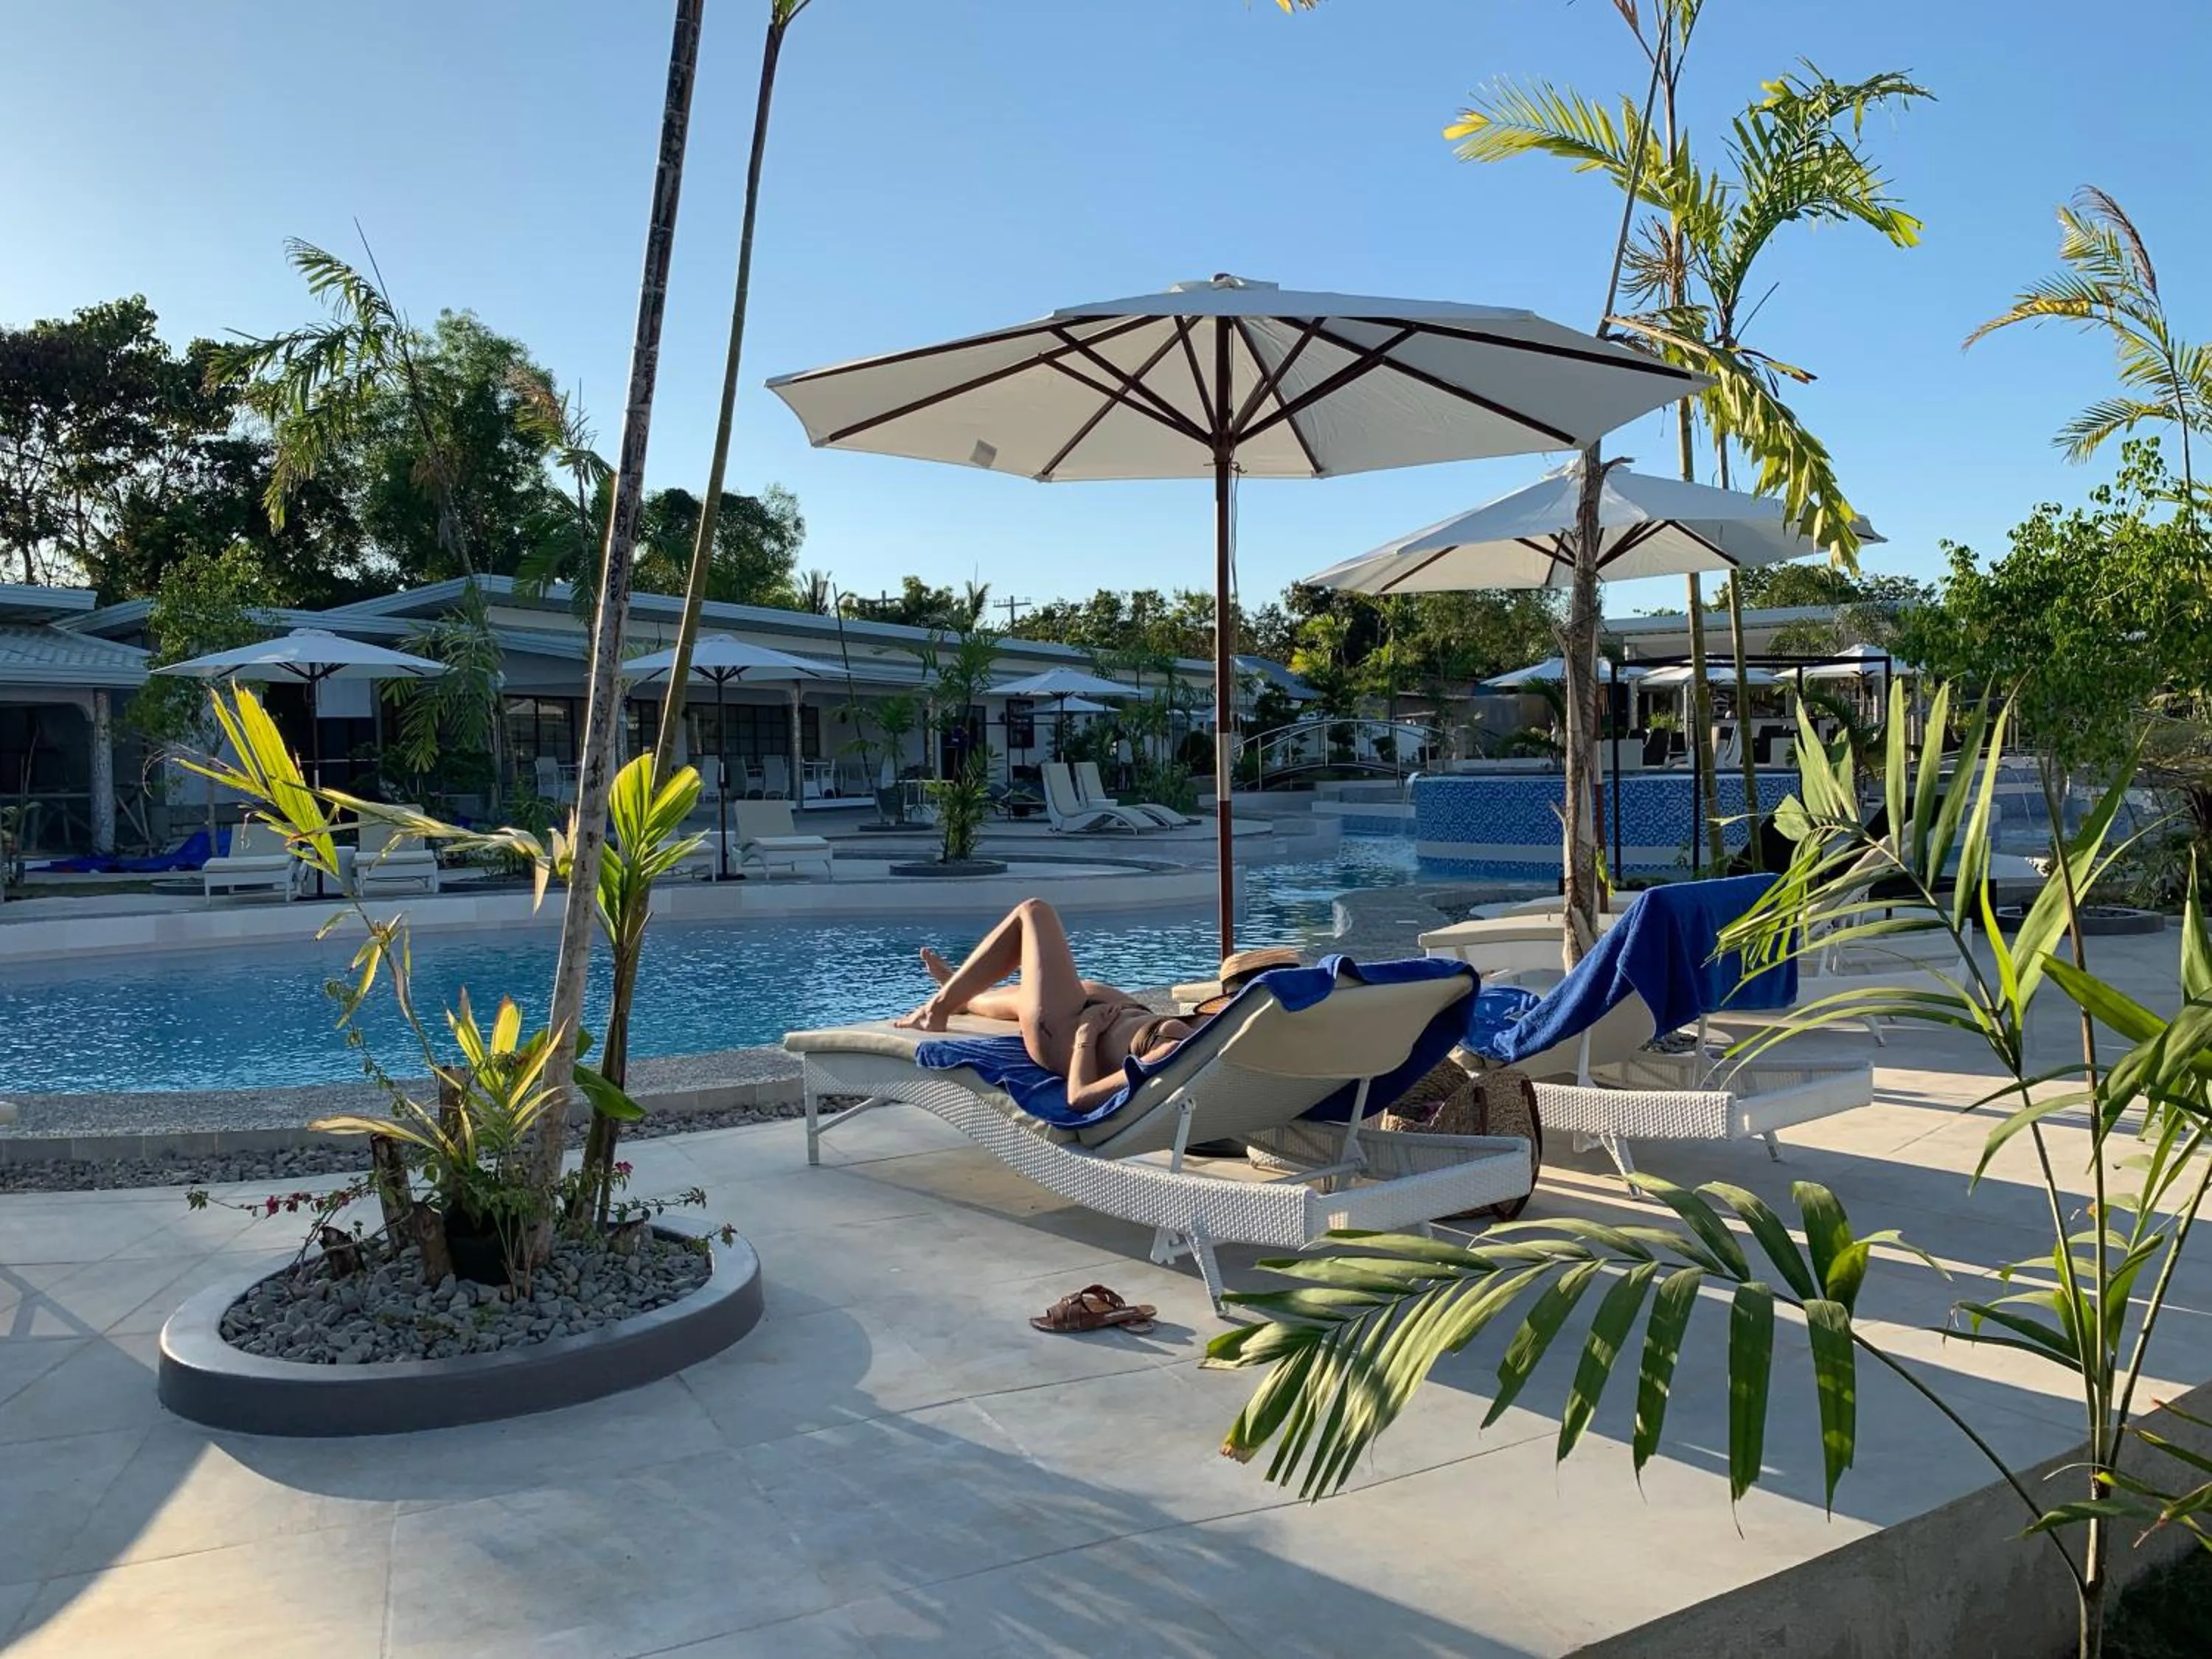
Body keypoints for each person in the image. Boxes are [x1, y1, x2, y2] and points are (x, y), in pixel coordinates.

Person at [895, 897, 1196, 1113]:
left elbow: (1079, 1098)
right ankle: (963, 993)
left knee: (1034, 912)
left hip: (1068, 1032)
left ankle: (938, 1008)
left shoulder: (1170, 1052)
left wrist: (1086, 1036)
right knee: (1054, 988)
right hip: (1117, 1014)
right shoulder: (1228, 1030)